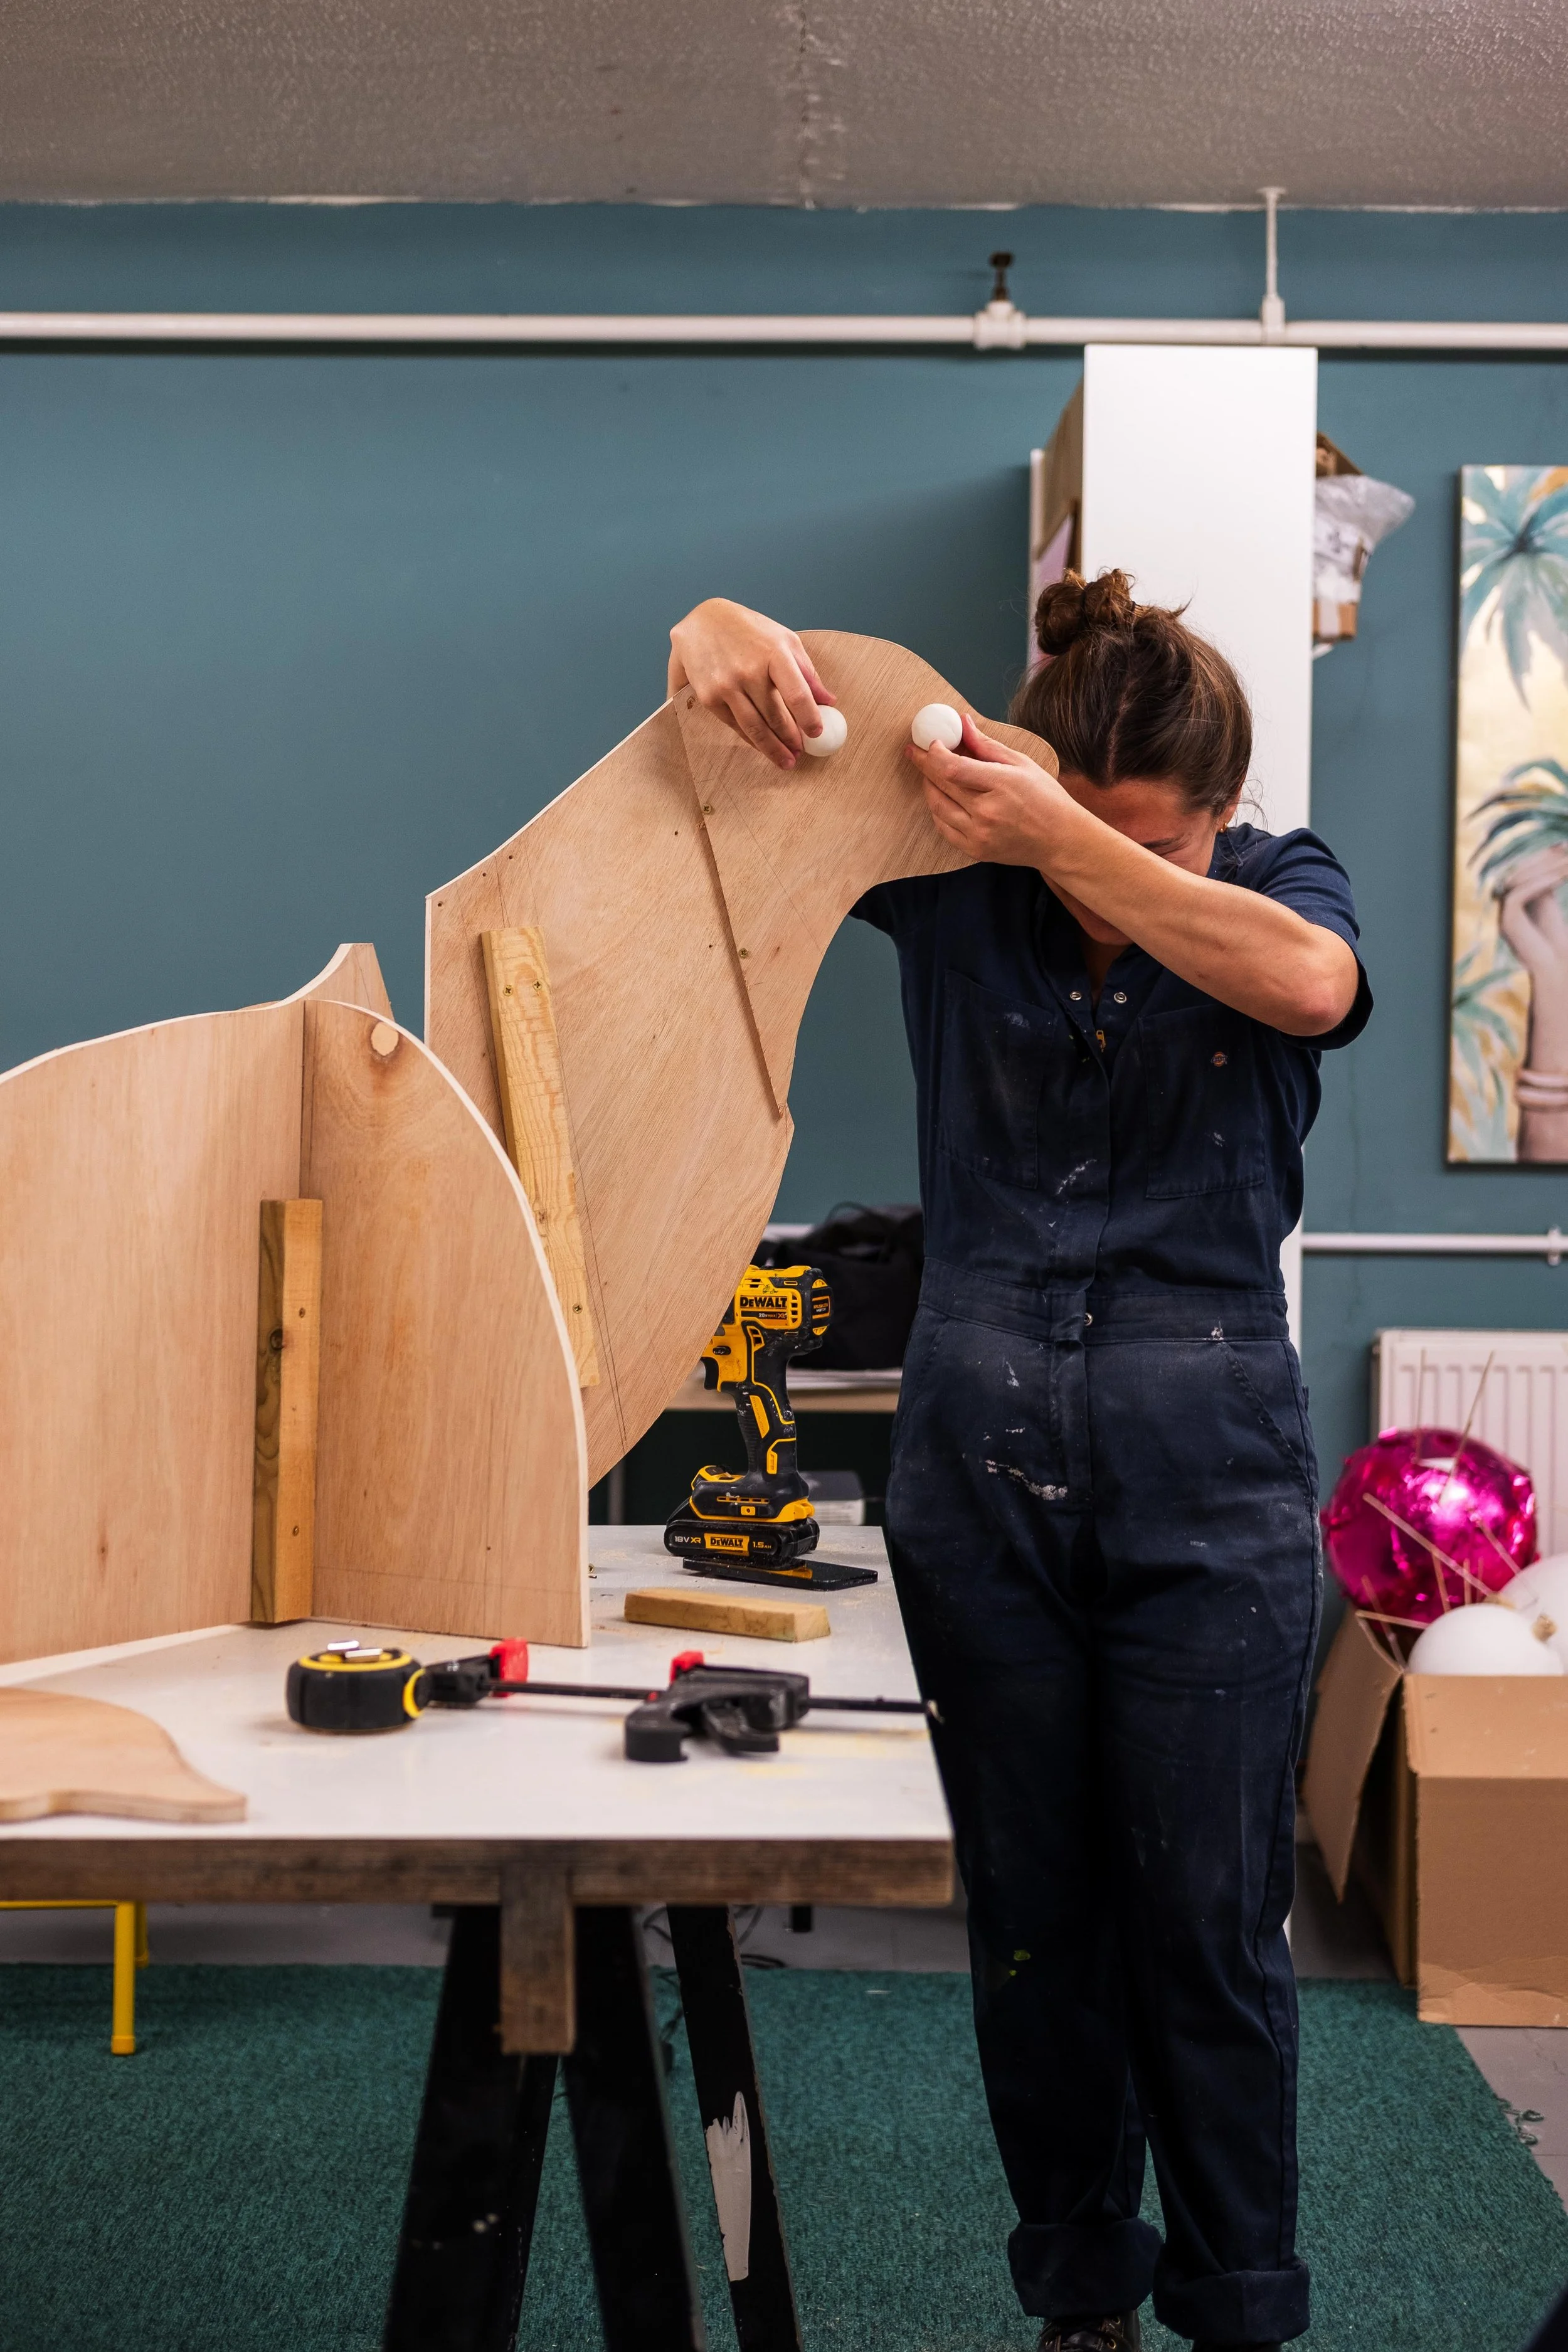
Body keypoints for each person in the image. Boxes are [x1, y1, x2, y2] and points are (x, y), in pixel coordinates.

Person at [668, 573, 1371, 2352]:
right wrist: (710, 626)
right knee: (1035, 1929)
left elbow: (1306, 985)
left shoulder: (1278, 889)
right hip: (975, 1480)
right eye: (1068, 823)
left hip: (1206, 1485)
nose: (1094, 874)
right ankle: (1079, 2294)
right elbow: (720, 742)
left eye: (1145, 841)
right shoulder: (951, 887)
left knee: (1206, 1931)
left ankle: (1234, 2307)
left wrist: (1061, 827)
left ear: (1216, 817)